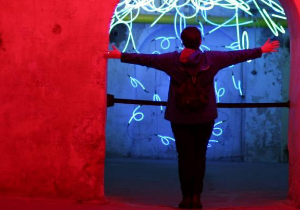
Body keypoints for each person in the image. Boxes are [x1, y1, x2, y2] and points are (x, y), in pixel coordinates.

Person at [104, 26, 279, 209]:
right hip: (205, 117)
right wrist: (261, 50)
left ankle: (186, 198)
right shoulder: (212, 59)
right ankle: (196, 198)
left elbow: (148, 59)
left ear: (182, 41)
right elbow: (236, 55)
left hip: (180, 117)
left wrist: (121, 55)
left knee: (184, 157)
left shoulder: (171, 60)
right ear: (200, 41)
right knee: (199, 156)